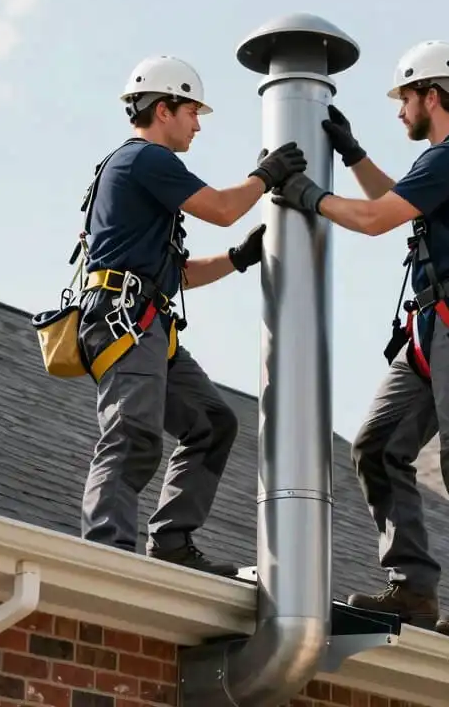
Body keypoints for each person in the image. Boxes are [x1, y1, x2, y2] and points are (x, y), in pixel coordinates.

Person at [271, 41, 449, 650]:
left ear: (430, 95)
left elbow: (377, 219)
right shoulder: (447, 160)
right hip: (434, 327)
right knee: (378, 445)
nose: (400, 110)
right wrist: (354, 156)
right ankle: (412, 586)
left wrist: (306, 195)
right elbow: (397, 202)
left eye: (404, 98)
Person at [78, 55, 306, 576]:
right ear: (164, 109)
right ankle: (104, 553)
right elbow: (223, 207)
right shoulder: (145, 160)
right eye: (192, 112)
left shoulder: (139, 172)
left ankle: (172, 541)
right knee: (132, 432)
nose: (198, 124)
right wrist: (266, 175)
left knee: (212, 422)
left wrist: (238, 259)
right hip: (125, 320)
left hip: (144, 319)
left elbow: (175, 275)